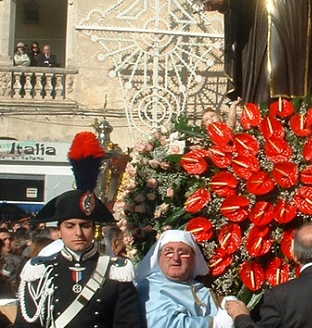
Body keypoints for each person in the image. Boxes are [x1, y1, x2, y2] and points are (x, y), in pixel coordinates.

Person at [13, 132, 143, 328]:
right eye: (70, 226)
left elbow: (127, 323)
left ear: (93, 229)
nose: (78, 233)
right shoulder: (40, 270)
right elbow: (27, 323)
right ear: (59, 230)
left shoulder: (116, 271)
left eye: (85, 226)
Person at [136, 229, 234, 328]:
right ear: (159, 257)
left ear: (193, 259)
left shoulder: (197, 287)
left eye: (183, 253)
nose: (175, 258)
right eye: (168, 252)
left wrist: (228, 304)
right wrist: (215, 323)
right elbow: (165, 324)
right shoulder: (149, 287)